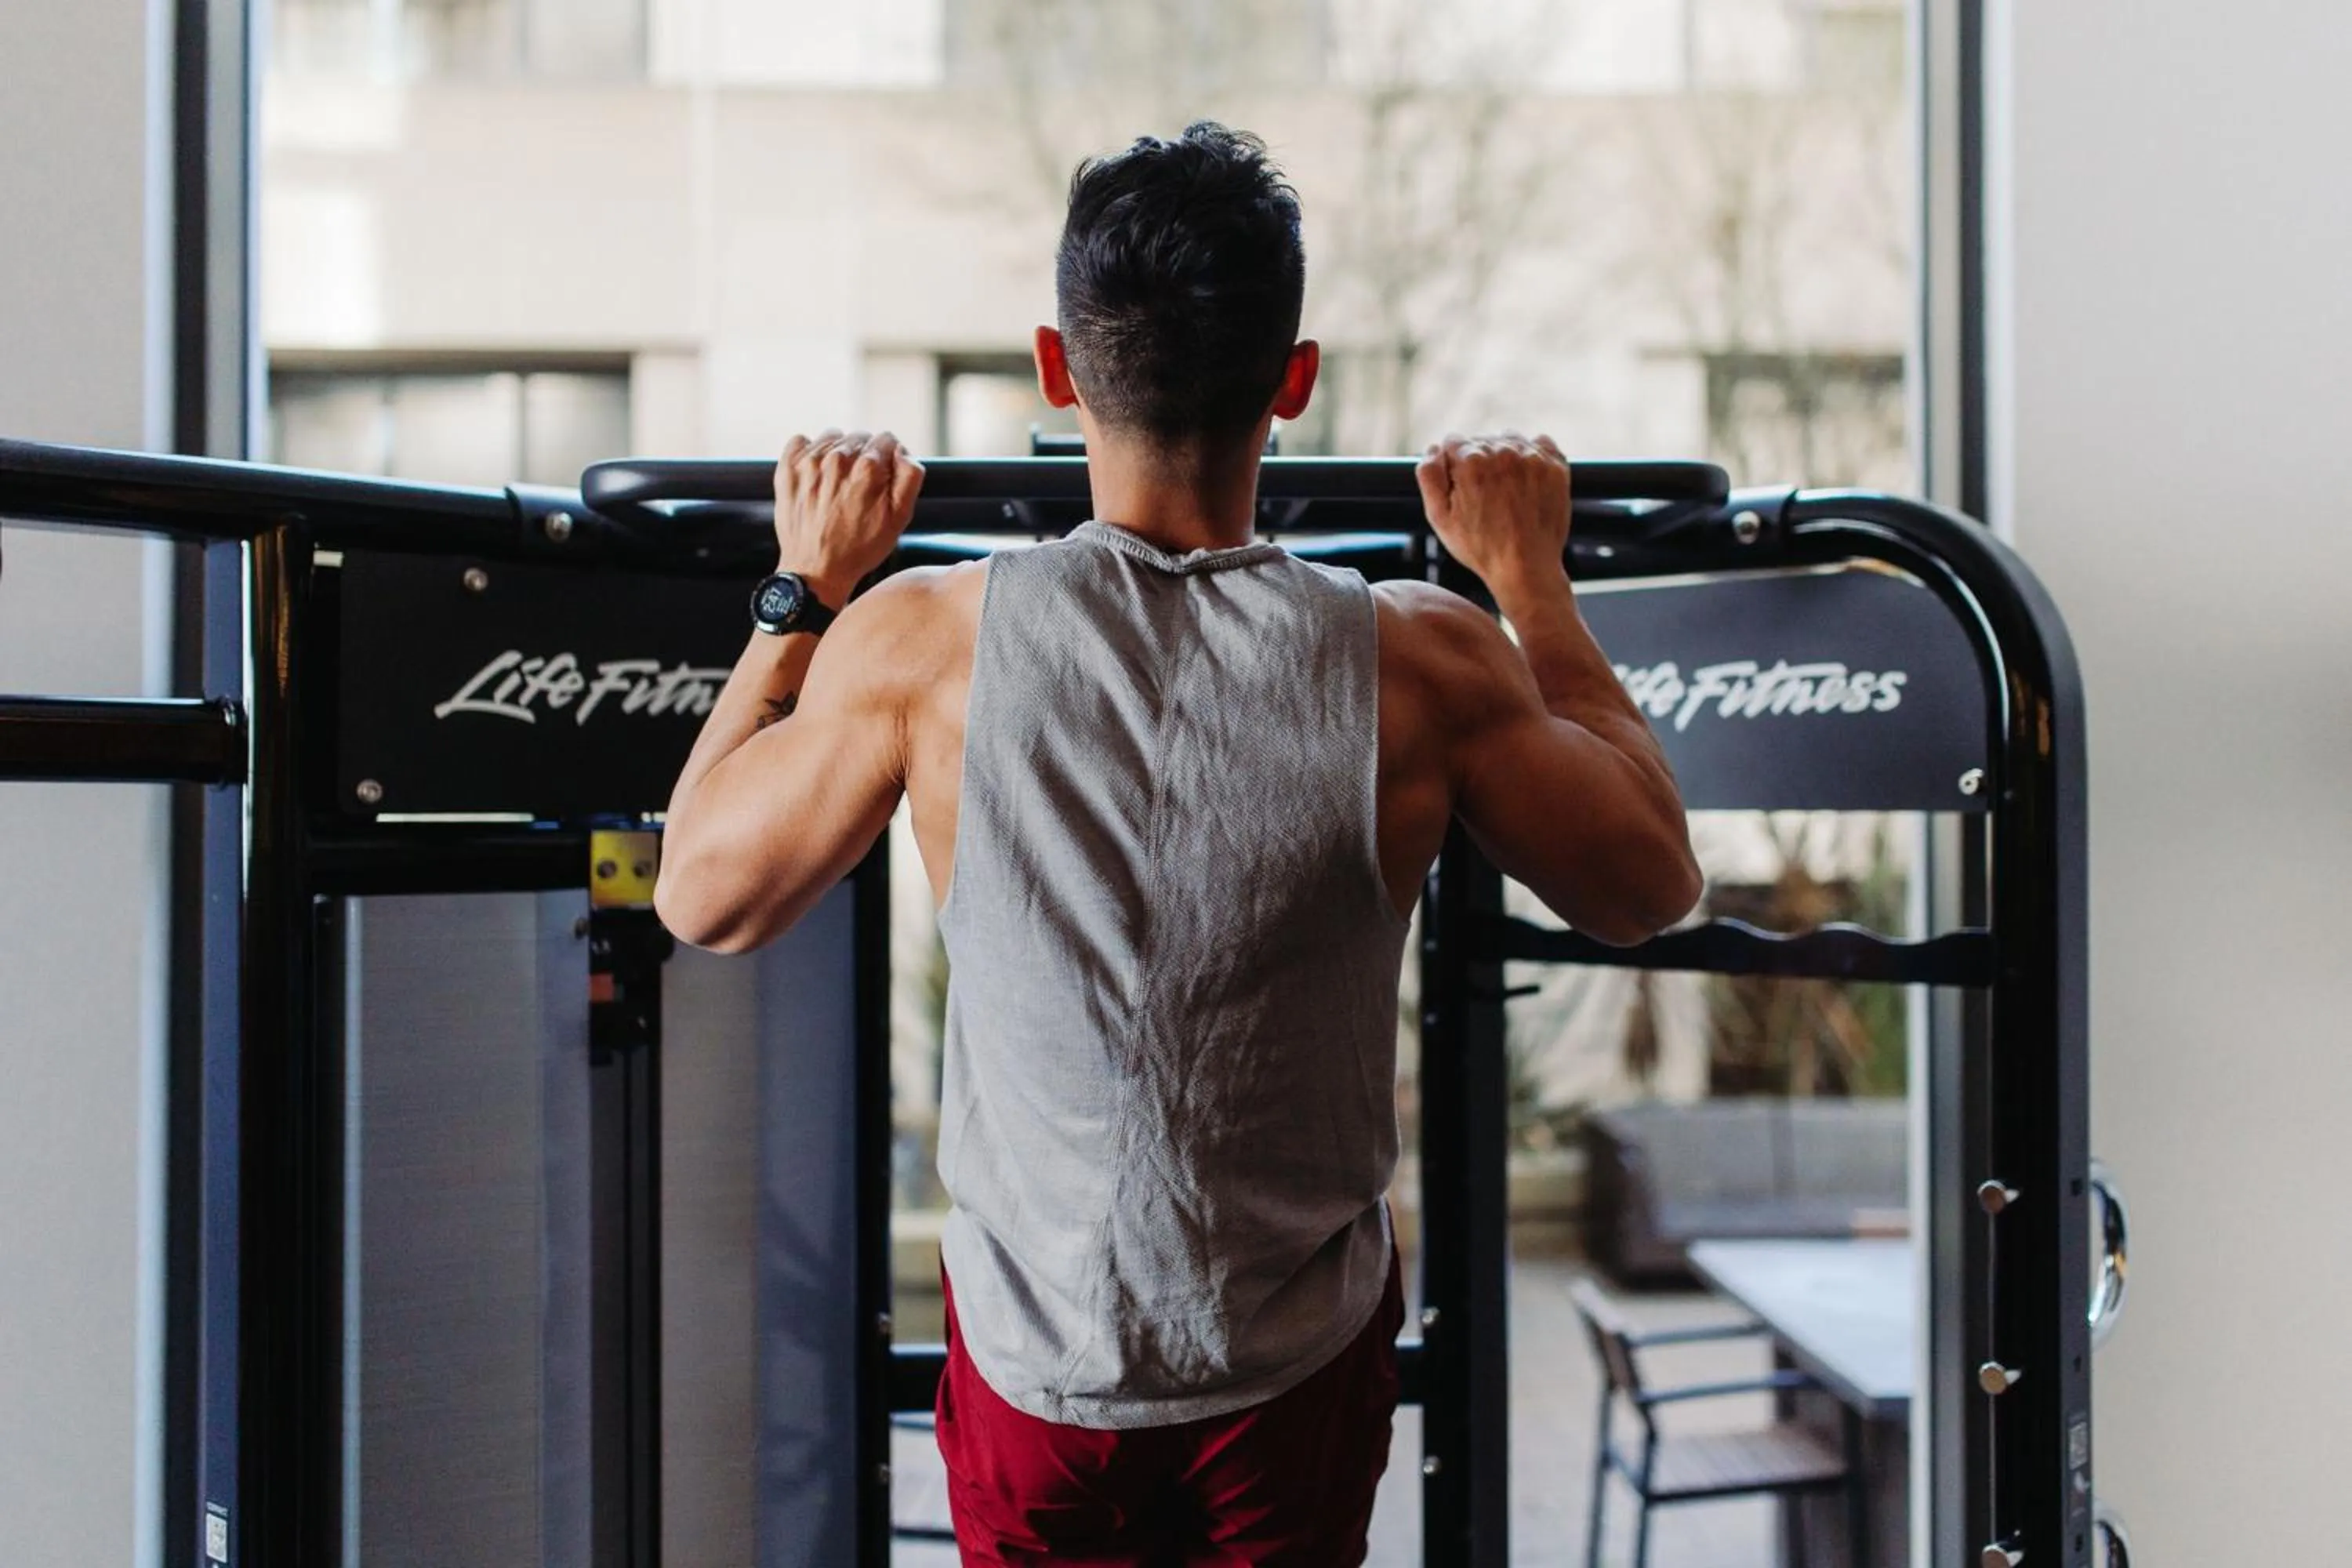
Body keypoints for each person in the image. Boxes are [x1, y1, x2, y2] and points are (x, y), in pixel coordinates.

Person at [655, 122, 1700, 1566]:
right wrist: (1534, 582)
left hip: (1040, 1375)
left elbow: (701, 893)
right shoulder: (1429, 659)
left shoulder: (919, 642)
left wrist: (802, 587)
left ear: (1056, 365)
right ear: (1294, 380)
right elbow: (1652, 882)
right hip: (1290, 1366)